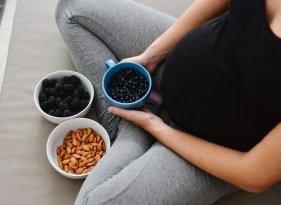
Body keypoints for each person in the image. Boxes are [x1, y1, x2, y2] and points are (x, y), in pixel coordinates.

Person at [55, 0, 281, 204]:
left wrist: (155, 127)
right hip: (181, 58)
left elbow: (254, 174)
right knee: (71, 9)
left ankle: (132, 130)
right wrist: (151, 56)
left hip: (215, 147)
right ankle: (135, 114)